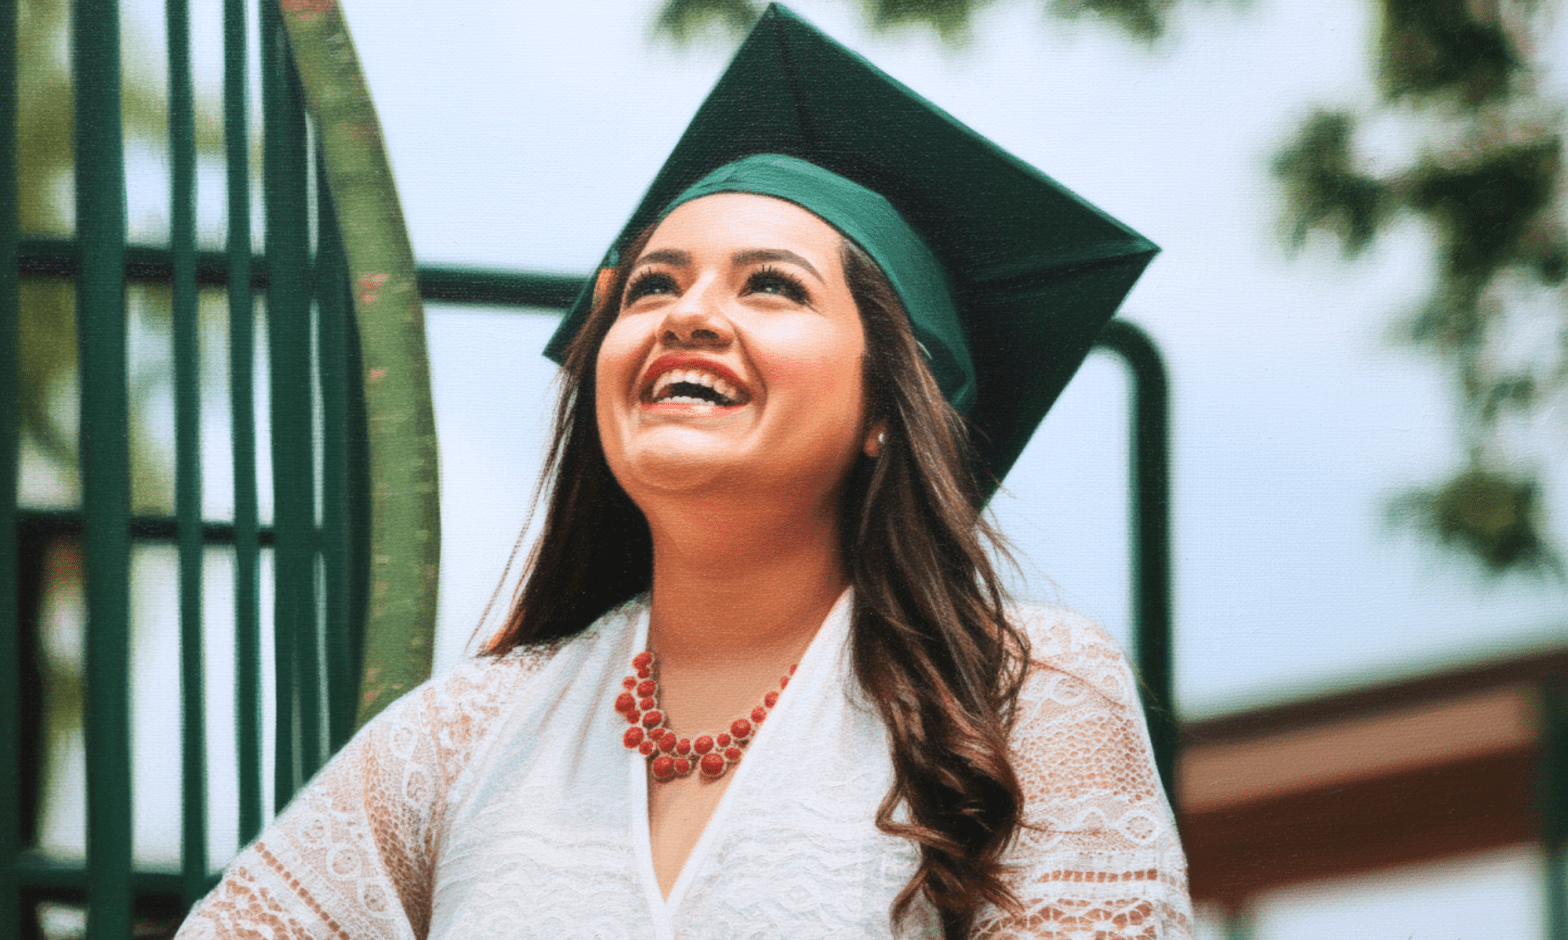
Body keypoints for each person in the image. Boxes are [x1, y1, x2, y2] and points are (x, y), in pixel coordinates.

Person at [176, 6, 1192, 939]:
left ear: (887, 403)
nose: (687, 313)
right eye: (652, 285)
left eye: (771, 287)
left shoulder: (1019, 696)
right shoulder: (462, 739)